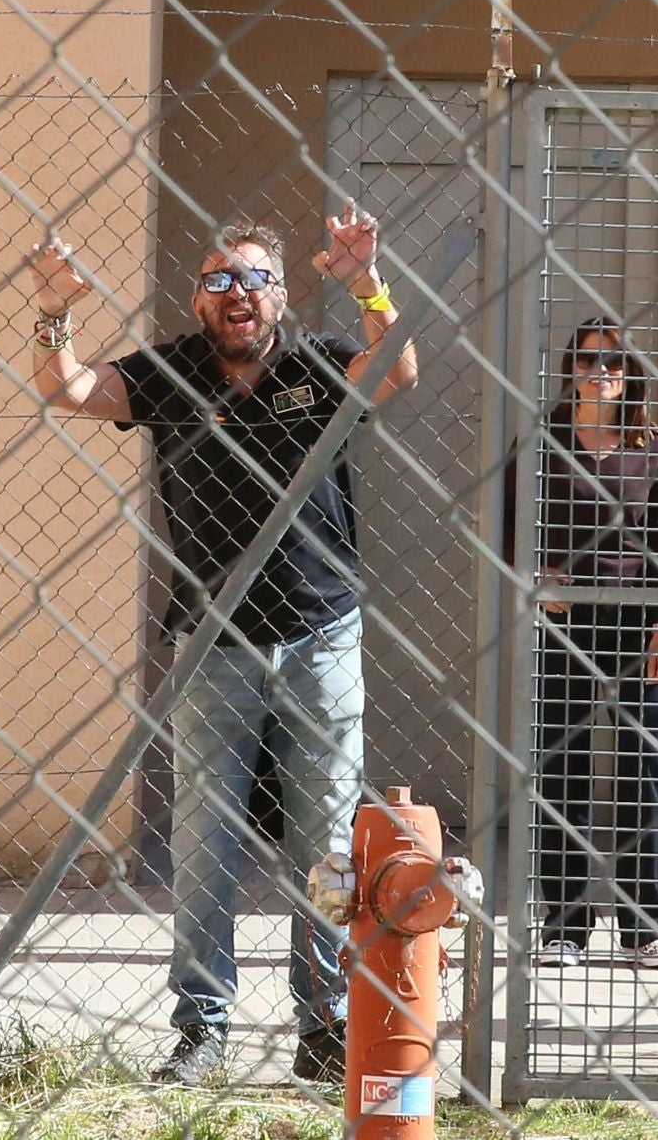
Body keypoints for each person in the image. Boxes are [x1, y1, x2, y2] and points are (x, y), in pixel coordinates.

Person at [23, 202, 417, 1084]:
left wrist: (367, 286)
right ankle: (202, 1029)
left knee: (323, 840)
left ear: (279, 294)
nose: (236, 292)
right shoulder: (170, 370)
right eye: (218, 279)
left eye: (253, 277)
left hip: (322, 633)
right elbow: (67, 387)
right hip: (213, 644)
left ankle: (323, 1023)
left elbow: (397, 368)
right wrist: (54, 311)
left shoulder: (315, 361)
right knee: (205, 845)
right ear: (200, 300)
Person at [530, 319, 658, 969]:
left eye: (615, 363)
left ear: (630, 374)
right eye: (591, 360)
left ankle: (644, 925)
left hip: (635, 619)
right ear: (573, 367)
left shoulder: (652, 444)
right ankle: (564, 925)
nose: (602, 372)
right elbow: (513, 522)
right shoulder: (546, 440)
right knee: (563, 768)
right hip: (568, 622)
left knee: (639, 771)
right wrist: (538, 578)